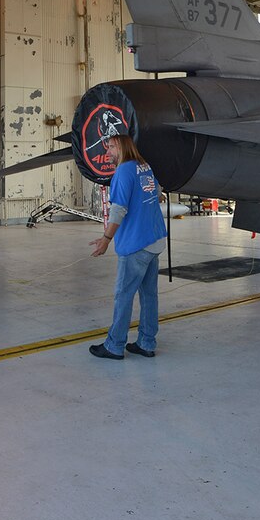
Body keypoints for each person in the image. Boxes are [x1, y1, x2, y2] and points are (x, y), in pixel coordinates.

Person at [87, 125, 167, 360]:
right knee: (149, 295)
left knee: (124, 294)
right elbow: (159, 192)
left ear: (122, 146)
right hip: (155, 240)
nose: (108, 151)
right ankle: (146, 342)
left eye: (111, 146)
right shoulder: (145, 167)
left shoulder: (123, 171)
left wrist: (106, 239)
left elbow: (119, 210)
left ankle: (114, 345)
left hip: (137, 243)